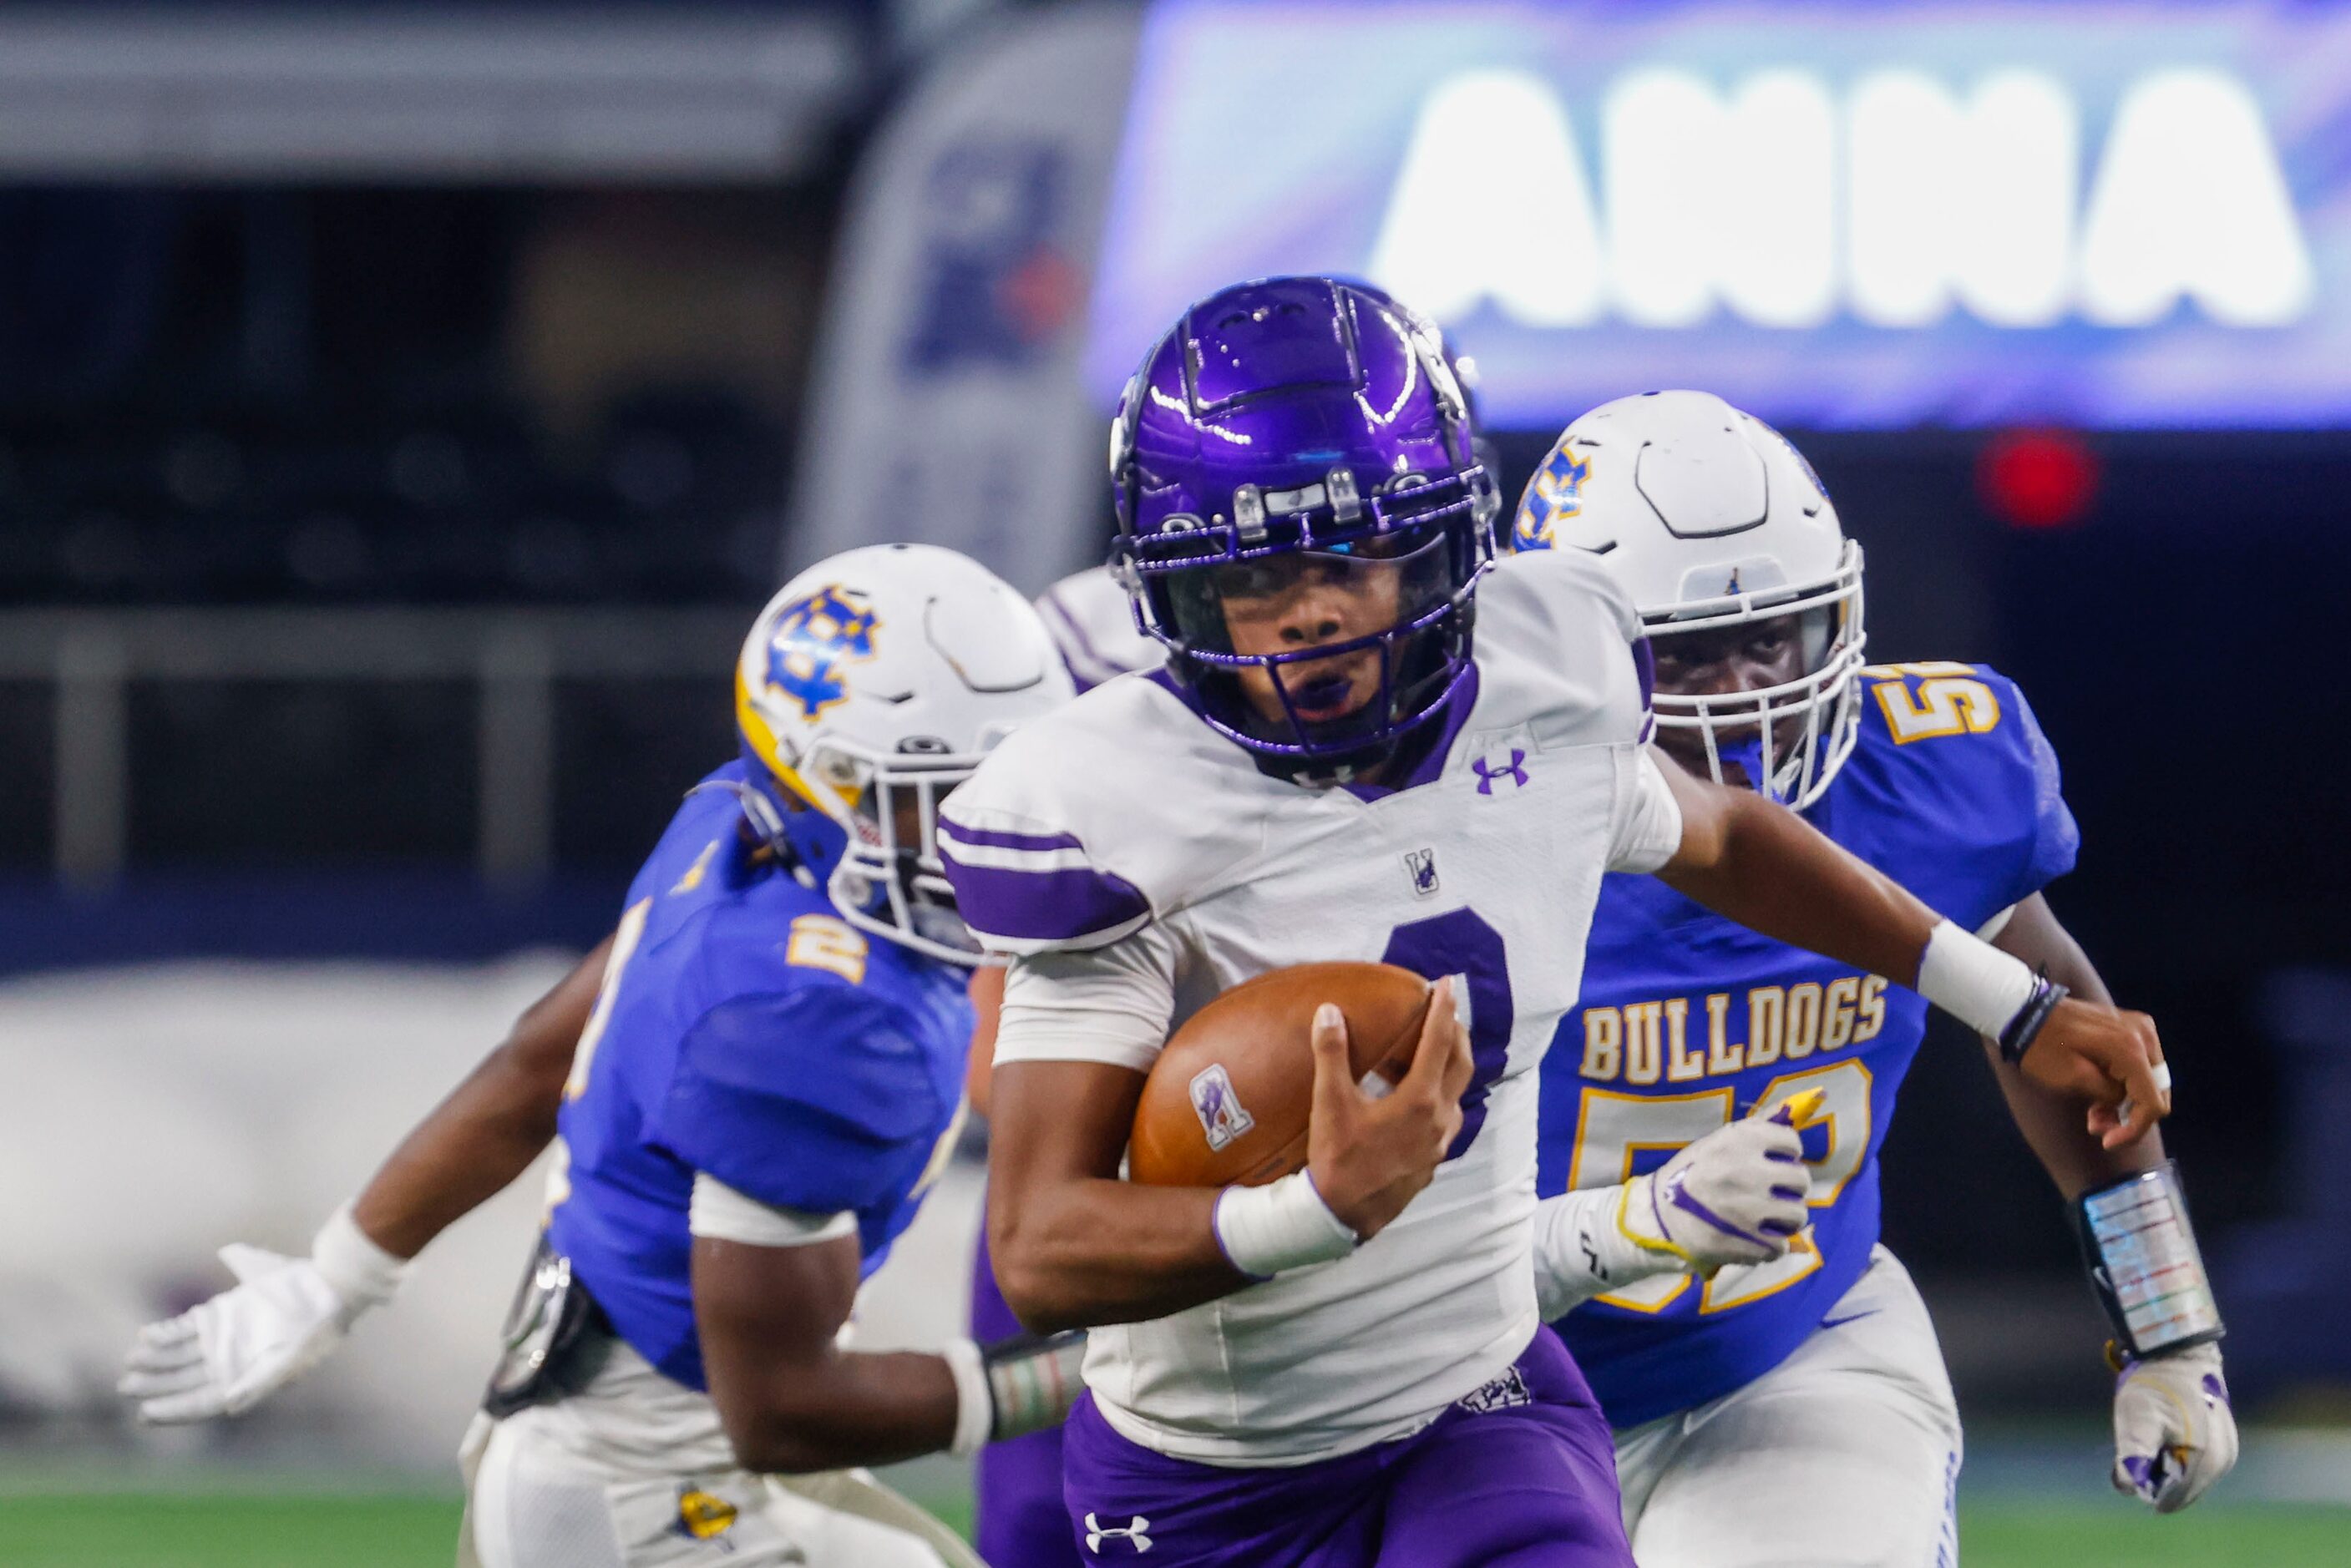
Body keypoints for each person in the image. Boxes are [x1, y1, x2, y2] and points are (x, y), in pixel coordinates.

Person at [933, 276, 2172, 1568]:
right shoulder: (1106, 812)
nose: (1309, 609)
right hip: (1226, 1459)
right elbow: (1038, 1245)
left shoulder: (1549, 692)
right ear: (1174, 598)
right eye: (1255, 574)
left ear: (1446, 549)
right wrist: (1318, 1202)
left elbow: (1731, 836)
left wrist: (2013, 1006)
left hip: (1504, 1392)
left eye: (1352, 557)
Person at [119, 544, 1087, 1568]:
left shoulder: (732, 826)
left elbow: (539, 1058)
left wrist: (336, 1277)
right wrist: (1082, 1375)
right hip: (651, 1503)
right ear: (825, 781)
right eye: (937, 796)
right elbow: (785, 1411)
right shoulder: (811, 1018)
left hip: (639, 1450)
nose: (985, 832)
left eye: (1007, 783)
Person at [1512, 390, 2236, 1565]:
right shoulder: (1465, 822)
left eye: (1772, 637)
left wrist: (2167, 1329)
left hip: (1790, 1344)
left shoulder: (1924, 780)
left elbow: (2052, 1015)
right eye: (1689, 653)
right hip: (1485, 1375)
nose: (1746, 689)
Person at [969, 563, 1161, 1568]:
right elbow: (990, 1070)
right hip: (1092, 1190)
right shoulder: (1077, 634)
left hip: (1278, 1200)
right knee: (1039, 1529)